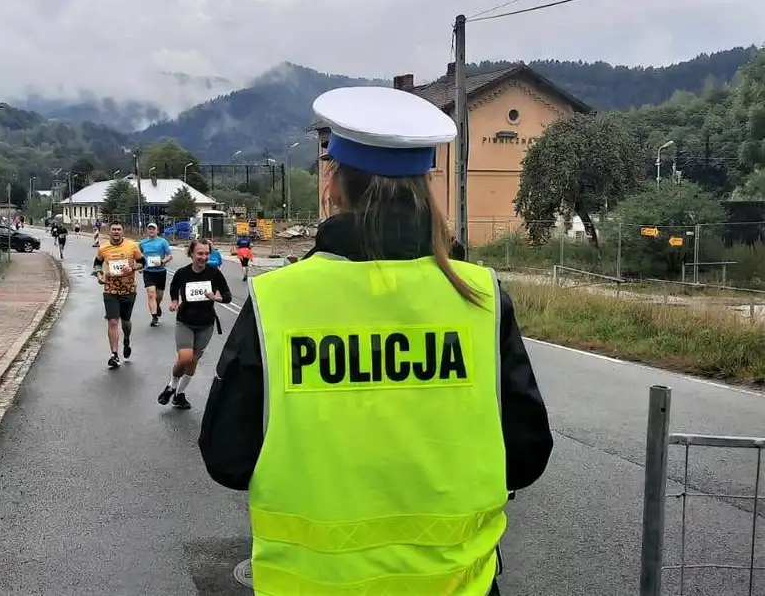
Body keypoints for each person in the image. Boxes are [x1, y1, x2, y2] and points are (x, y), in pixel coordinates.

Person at [198, 86, 553, 596]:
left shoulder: (281, 299)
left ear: (334, 185)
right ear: (426, 183)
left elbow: (228, 457)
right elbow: (526, 453)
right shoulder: (480, 296)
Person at [159, 238, 231, 410]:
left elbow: (227, 297)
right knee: (185, 357)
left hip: (206, 324)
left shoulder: (214, 273)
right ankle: (171, 386)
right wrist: (175, 302)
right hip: (185, 321)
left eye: (207, 253)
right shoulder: (183, 273)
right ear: (191, 253)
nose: (203, 257)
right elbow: (174, 288)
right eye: (200, 253)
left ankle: (179, 394)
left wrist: (216, 298)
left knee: (193, 360)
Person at [93, 221, 145, 368]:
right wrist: (99, 275)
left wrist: (133, 267)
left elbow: (142, 262)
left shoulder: (132, 246)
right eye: (113, 229)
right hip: (110, 289)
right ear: (109, 232)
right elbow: (97, 264)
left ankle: (126, 339)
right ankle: (114, 355)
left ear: (123, 232)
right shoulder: (103, 248)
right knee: (113, 321)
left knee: (125, 321)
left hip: (128, 289)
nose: (116, 232)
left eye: (119, 229)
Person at [138, 223, 173, 327]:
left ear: (157, 231)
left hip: (160, 271)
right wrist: (140, 266)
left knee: (159, 296)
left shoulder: (162, 242)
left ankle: (157, 305)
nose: (151, 230)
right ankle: (154, 317)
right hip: (148, 272)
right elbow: (138, 256)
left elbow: (170, 256)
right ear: (147, 231)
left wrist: (162, 262)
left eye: (153, 229)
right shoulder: (143, 243)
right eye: (149, 229)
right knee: (151, 294)